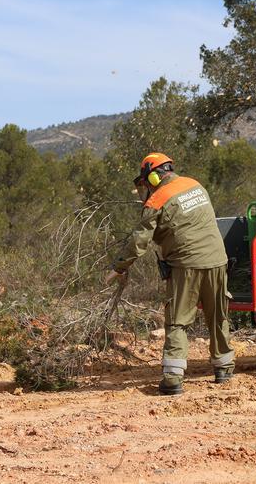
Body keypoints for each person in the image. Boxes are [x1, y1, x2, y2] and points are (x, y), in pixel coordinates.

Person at [106, 153, 234, 395]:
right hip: (218, 260)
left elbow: (139, 241)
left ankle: (173, 377)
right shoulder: (196, 185)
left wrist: (119, 267)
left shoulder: (157, 199)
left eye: (146, 181)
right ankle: (224, 368)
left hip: (186, 265)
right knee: (218, 316)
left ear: (153, 176)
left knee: (177, 321)